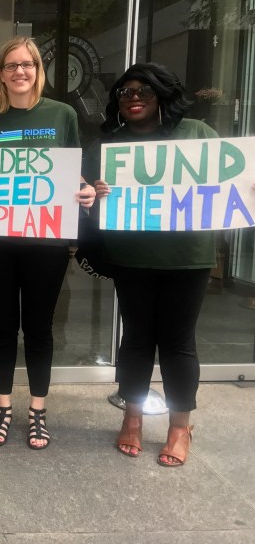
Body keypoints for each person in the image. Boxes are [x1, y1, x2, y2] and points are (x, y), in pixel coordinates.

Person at [0, 36, 95, 449]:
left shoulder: (63, 115)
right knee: (2, 326)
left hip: (46, 242)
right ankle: (3, 404)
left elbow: (74, 172)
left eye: (27, 64)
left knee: (39, 328)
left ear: (38, 69)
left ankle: (37, 409)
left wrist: (85, 191)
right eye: (11, 65)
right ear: (0, 74)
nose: (20, 71)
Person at [86, 62, 219, 467]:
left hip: (187, 259)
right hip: (133, 258)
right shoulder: (107, 148)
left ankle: (180, 427)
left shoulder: (196, 135)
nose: (134, 97)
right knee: (137, 340)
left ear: (162, 94)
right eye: (125, 92)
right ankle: (133, 415)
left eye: (144, 90)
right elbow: (85, 204)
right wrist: (93, 193)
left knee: (179, 343)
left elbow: (228, 182)